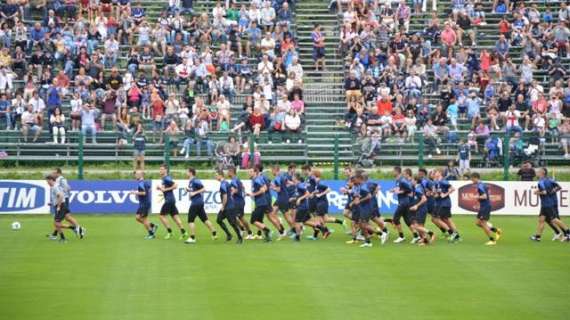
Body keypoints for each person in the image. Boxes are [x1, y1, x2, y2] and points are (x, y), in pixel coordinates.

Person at [530, 168, 570, 242]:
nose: (537, 172)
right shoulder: (550, 180)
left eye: (538, 171)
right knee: (541, 220)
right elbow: (558, 187)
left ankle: (568, 232)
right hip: (547, 203)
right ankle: (537, 237)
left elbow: (544, 192)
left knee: (554, 219)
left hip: (547, 204)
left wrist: (537, 192)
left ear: (543, 172)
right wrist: (552, 191)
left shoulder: (540, 182)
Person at [46, 175, 84, 242]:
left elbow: (60, 196)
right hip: (62, 205)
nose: (47, 182)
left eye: (48, 181)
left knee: (57, 223)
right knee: (63, 220)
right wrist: (53, 203)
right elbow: (59, 196)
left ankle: (74, 228)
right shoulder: (56, 186)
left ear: (51, 180)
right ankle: (62, 238)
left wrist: (58, 206)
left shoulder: (55, 187)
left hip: (61, 206)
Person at [184, 167, 217, 244]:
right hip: (198, 202)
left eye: (187, 171)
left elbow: (204, 189)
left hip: (196, 203)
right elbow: (193, 190)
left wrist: (194, 193)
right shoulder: (191, 182)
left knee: (190, 220)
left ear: (191, 173)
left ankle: (192, 238)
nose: (186, 173)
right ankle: (214, 232)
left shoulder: (195, 180)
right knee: (204, 219)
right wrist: (189, 190)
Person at [470, 172, 502, 246]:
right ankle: (496, 230)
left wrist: (476, 197)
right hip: (483, 206)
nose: (472, 181)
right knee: (478, 223)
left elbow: (484, 196)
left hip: (485, 206)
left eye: (472, 179)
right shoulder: (482, 184)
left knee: (483, 223)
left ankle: (492, 240)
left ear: (475, 178)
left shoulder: (480, 186)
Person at [156, 164, 187, 240]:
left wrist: (164, 189)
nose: (160, 171)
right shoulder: (165, 179)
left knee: (161, 216)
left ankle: (170, 232)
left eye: (162, 169)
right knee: (175, 216)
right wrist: (160, 188)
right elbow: (166, 188)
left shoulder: (166, 178)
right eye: (160, 169)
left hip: (169, 200)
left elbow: (175, 185)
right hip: (171, 199)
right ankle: (184, 232)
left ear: (166, 170)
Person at [215, 169, 243, 244]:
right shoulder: (226, 183)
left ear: (220, 175)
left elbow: (225, 196)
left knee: (232, 223)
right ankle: (229, 234)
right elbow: (230, 191)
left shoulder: (223, 184)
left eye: (216, 175)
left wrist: (223, 206)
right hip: (228, 206)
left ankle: (240, 238)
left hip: (228, 207)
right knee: (218, 220)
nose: (215, 177)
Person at [433, 169, 461, 242]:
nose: (434, 173)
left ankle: (452, 233)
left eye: (435, 172)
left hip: (445, 203)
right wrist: (435, 195)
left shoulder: (443, 181)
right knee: (446, 220)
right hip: (441, 203)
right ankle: (456, 235)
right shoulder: (437, 182)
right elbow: (438, 194)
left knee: (437, 219)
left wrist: (445, 194)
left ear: (439, 173)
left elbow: (452, 188)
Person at [390, 166, 416, 244]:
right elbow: (401, 189)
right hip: (404, 202)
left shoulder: (401, 180)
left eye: (393, 171)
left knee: (395, 219)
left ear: (397, 171)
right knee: (407, 220)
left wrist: (401, 192)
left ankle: (401, 236)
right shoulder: (398, 180)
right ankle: (416, 236)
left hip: (404, 202)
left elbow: (409, 189)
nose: (392, 172)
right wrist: (394, 190)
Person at [246, 165, 272, 242]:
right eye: (249, 172)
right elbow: (265, 187)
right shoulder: (258, 179)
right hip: (261, 203)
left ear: (255, 172)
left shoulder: (256, 181)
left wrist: (252, 194)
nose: (249, 173)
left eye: (251, 172)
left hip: (261, 203)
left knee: (253, 220)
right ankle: (268, 237)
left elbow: (263, 190)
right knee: (259, 221)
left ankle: (267, 230)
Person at [130, 170, 158, 239]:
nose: (135, 176)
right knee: (137, 218)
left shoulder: (141, 183)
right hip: (143, 203)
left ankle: (151, 234)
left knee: (143, 219)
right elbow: (149, 189)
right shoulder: (144, 182)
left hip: (145, 203)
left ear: (140, 175)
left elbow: (144, 193)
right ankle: (152, 225)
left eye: (136, 174)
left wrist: (134, 192)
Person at [409, 175, 436, 246]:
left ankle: (431, 233)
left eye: (412, 180)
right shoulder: (418, 187)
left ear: (415, 181)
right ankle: (425, 240)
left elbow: (424, 199)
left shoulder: (418, 188)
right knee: (419, 226)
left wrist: (416, 206)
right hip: (421, 209)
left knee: (416, 226)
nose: (411, 181)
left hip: (421, 209)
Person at [228, 166, 254, 239]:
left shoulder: (234, 180)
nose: (227, 173)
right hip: (239, 201)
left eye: (228, 171)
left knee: (238, 217)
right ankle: (244, 230)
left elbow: (235, 190)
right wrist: (243, 193)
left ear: (231, 172)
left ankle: (248, 232)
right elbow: (242, 188)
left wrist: (231, 194)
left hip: (238, 201)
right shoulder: (237, 179)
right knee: (237, 217)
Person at [270, 164, 295, 235]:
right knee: (272, 213)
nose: (272, 172)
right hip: (282, 198)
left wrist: (272, 188)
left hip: (282, 198)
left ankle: (295, 230)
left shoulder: (277, 178)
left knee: (287, 217)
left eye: (272, 170)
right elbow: (291, 183)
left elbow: (278, 189)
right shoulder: (283, 176)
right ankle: (282, 229)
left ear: (275, 170)